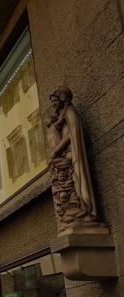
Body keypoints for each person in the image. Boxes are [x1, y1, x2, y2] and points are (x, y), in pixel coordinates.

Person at [48, 86, 97, 226]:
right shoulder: (62, 115)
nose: (53, 105)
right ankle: (78, 212)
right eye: (52, 102)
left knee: (78, 179)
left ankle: (86, 211)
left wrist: (57, 150)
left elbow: (71, 134)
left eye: (55, 101)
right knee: (72, 181)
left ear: (63, 99)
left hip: (73, 152)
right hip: (67, 154)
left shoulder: (70, 112)